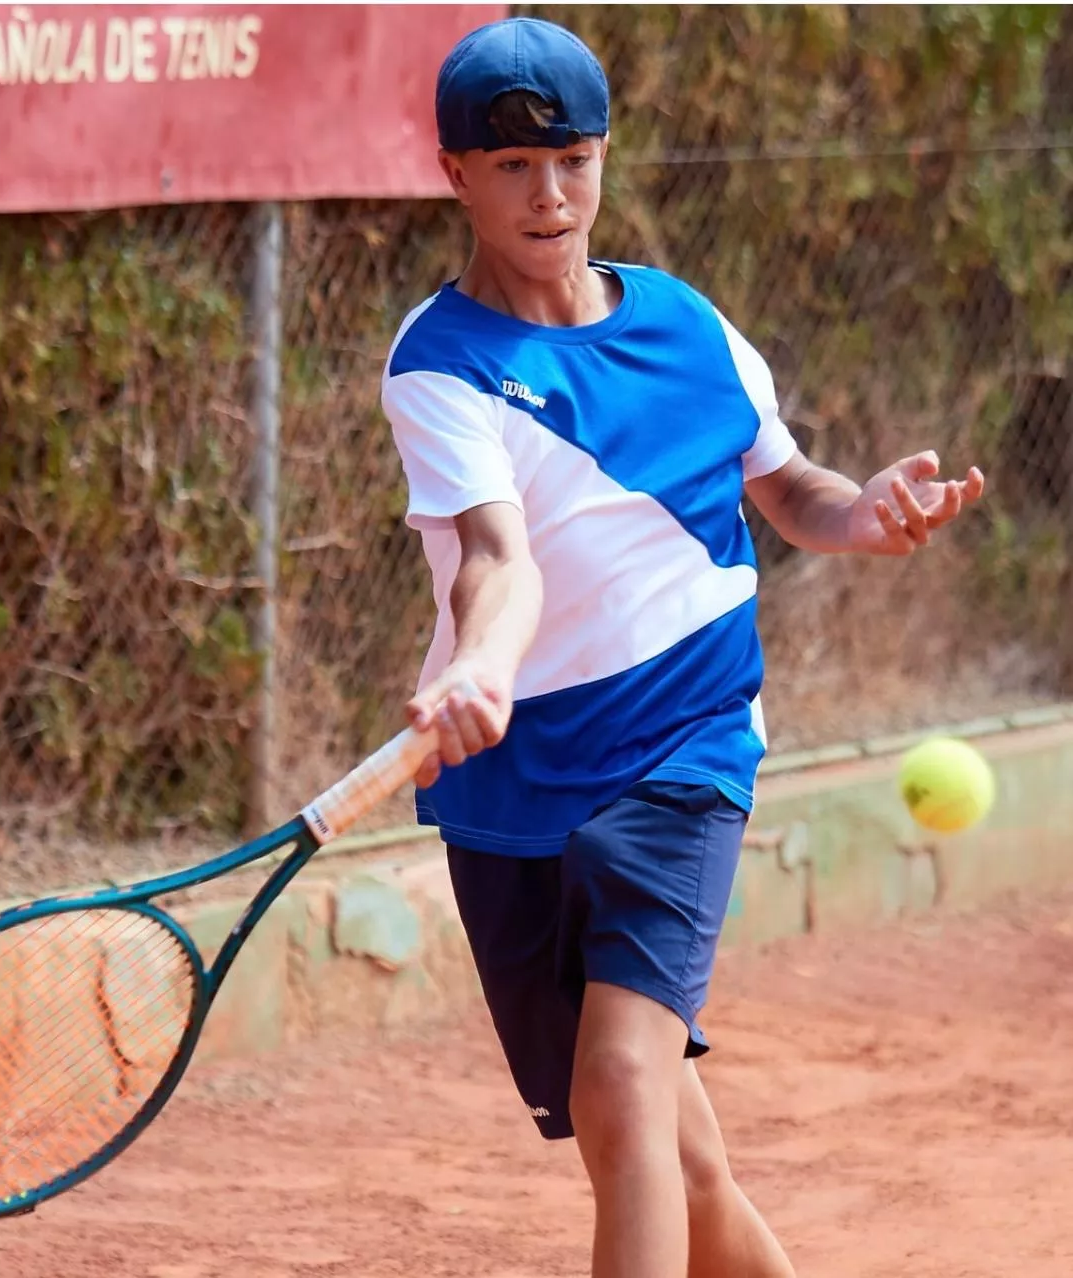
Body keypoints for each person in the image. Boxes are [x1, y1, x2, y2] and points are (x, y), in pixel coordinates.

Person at [381, 16, 985, 1278]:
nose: (551, 196)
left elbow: (791, 487)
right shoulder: (441, 365)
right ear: (455, 175)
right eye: (512, 169)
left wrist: (860, 517)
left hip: (684, 745)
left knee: (623, 1084)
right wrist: (480, 666)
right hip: (514, 781)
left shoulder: (691, 327)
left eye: (576, 161)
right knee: (673, 1154)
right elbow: (499, 557)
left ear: (604, 159)